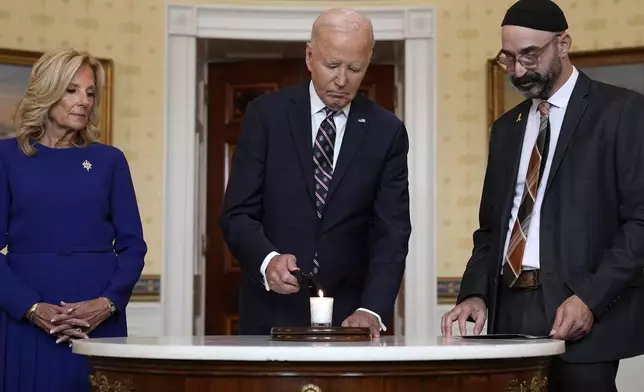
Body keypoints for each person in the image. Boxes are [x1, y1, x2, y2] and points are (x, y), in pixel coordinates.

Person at [441, 1, 644, 391]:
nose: (518, 70)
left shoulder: (621, 112)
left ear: (563, 44)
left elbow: (640, 221)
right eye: (509, 58)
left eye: (529, 56)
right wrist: (474, 294)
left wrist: (590, 298)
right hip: (509, 312)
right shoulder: (506, 129)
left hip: (584, 313)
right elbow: (491, 231)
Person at [219, 8, 411, 338]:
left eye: (355, 68)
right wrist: (267, 261)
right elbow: (237, 214)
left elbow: (391, 232)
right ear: (309, 57)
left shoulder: (387, 131)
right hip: (271, 312)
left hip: (351, 318)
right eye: (332, 65)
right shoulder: (265, 116)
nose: (342, 80)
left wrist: (372, 309)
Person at [0, 49, 147, 392]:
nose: (84, 101)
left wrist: (106, 304)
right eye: (72, 90)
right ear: (47, 91)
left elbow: (132, 246)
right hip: (26, 319)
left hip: (97, 319)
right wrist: (32, 308)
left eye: (90, 92)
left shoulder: (110, 161)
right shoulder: (6, 157)